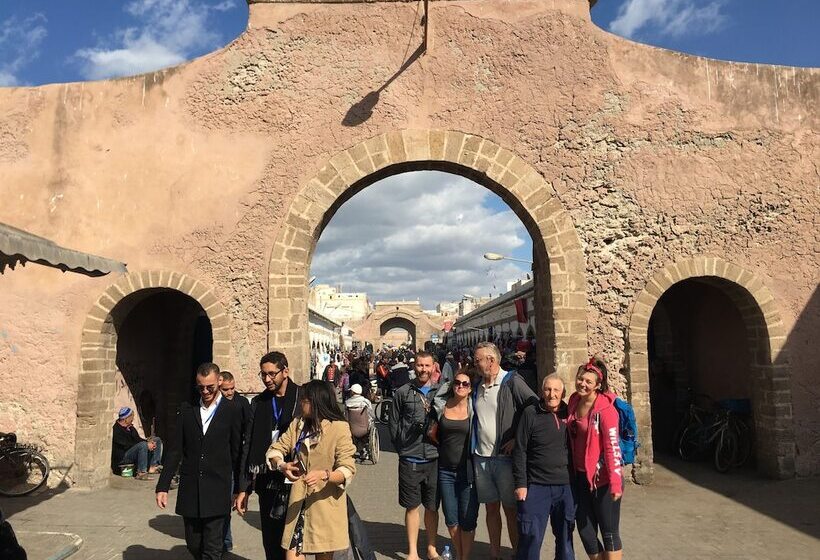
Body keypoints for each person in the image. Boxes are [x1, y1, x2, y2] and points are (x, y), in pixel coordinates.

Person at [155, 363, 243, 560]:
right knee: (194, 545)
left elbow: (237, 451)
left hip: (218, 488)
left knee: (212, 549)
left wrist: (239, 488)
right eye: (200, 387)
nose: (205, 391)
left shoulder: (232, 410)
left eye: (209, 387)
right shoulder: (188, 411)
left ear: (219, 382)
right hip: (191, 490)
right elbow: (175, 450)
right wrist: (163, 486)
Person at [266, 380, 357, 560]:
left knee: (323, 556)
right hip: (298, 504)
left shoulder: (339, 428)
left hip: (325, 505)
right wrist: (282, 465)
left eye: (304, 400)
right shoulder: (298, 424)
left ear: (316, 401)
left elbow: (347, 468)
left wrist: (325, 475)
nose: (301, 403)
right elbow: (276, 449)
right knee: (291, 555)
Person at [472, 341, 537, 560]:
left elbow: (533, 407)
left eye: (478, 359)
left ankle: (517, 552)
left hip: (505, 460)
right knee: (491, 509)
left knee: (510, 509)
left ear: (491, 360)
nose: (475, 363)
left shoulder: (512, 381)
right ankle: (494, 553)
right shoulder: (477, 386)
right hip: (481, 457)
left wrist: (517, 439)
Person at [235, 351, 302, 560]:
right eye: (263, 374)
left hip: (296, 478)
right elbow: (249, 444)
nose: (267, 379)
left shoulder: (302, 398)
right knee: (271, 541)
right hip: (268, 480)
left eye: (272, 374)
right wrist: (243, 488)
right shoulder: (258, 402)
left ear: (285, 371)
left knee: (294, 542)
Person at [567, 357, 624, 560]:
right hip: (581, 476)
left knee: (609, 532)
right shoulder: (574, 400)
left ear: (597, 385)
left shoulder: (606, 410)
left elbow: (612, 448)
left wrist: (616, 483)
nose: (582, 384)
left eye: (588, 382)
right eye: (580, 379)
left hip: (604, 480)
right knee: (585, 529)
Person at [513, 374, 574, 560]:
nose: (552, 394)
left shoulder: (570, 413)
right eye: (548, 389)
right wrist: (521, 483)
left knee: (565, 537)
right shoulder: (531, 413)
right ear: (542, 390)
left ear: (563, 392)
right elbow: (520, 450)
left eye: (556, 390)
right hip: (536, 486)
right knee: (530, 537)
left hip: (565, 486)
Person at [389, 351, 441, 560]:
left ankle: (431, 548)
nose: (423, 370)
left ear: (433, 367)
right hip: (410, 458)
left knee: (432, 507)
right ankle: (412, 551)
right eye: (420, 365)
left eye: (427, 366)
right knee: (412, 506)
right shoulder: (403, 392)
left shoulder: (441, 392)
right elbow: (393, 424)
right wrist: (402, 446)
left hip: (434, 457)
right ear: (414, 366)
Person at [432, 369, 479, 560]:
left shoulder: (474, 408)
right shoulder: (442, 405)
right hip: (445, 471)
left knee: (467, 520)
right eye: (457, 383)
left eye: (465, 384)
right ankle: (459, 555)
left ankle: (464, 557)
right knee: (451, 520)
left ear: (470, 389)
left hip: (467, 472)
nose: (460, 386)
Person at [218, 371, 252, 554]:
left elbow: (249, 427)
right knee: (222, 503)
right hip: (221, 459)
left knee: (229, 501)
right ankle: (223, 541)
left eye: (232, 389)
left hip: (237, 459)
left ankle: (225, 541)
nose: (229, 393)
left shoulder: (241, 403)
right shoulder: (215, 404)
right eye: (225, 390)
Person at [111, 407, 163, 480]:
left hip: (133, 449)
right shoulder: (116, 429)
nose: (132, 419)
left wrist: (148, 442)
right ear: (126, 418)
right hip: (123, 456)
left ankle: (153, 466)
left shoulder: (130, 428)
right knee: (142, 445)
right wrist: (145, 444)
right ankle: (141, 472)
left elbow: (138, 439)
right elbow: (125, 444)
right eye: (131, 417)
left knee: (156, 440)